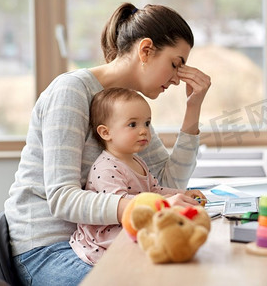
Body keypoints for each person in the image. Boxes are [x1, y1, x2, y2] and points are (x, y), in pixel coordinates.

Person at [4, 2, 211, 285]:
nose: (177, 79)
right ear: (146, 50)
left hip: (101, 242)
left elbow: (168, 181)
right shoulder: (71, 92)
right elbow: (62, 199)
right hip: (48, 247)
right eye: (175, 64)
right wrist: (151, 205)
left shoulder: (127, 107)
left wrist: (193, 109)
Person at [70, 87, 203, 265]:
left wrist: (181, 194)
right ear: (105, 132)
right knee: (161, 237)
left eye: (147, 123)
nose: (144, 131)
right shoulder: (106, 168)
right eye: (133, 124)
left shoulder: (137, 161)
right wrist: (165, 205)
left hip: (132, 220)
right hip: (106, 234)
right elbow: (120, 205)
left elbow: (154, 190)